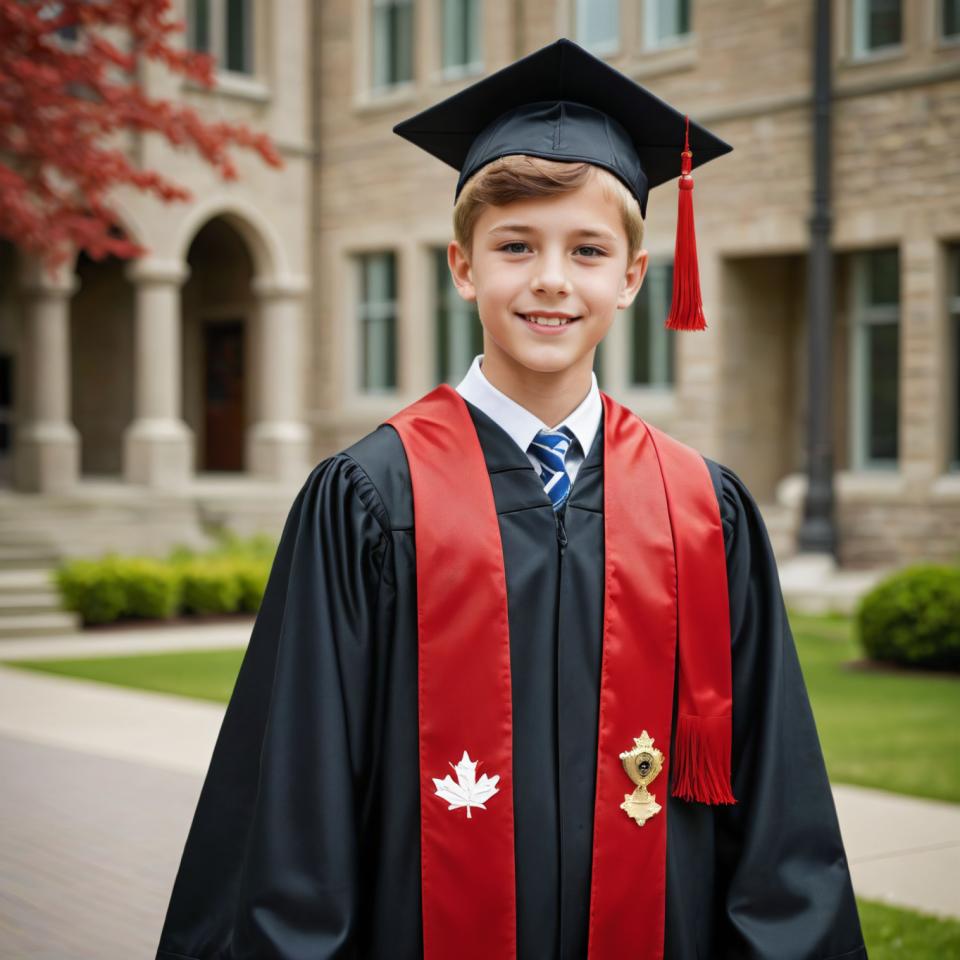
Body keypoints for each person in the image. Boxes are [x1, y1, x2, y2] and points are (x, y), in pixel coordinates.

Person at [155, 38, 867, 960]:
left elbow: (775, 803)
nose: (551, 281)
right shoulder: (372, 499)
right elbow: (299, 795)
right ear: (463, 268)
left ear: (633, 279)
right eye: (516, 246)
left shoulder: (701, 509)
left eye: (588, 250)